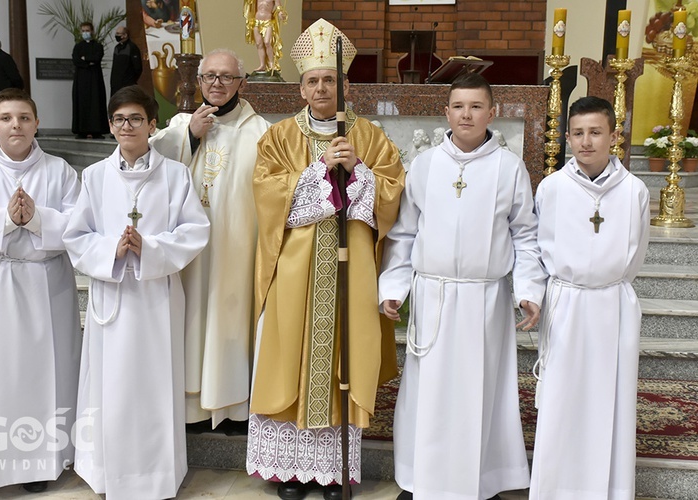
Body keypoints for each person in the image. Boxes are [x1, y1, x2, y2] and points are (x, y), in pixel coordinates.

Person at [246, 19, 405, 500]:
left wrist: (358, 170)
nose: (321, 87)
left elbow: (393, 192)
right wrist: (318, 172)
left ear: (345, 85)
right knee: (289, 358)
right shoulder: (277, 136)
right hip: (294, 269)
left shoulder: (370, 136)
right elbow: (267, 194)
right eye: (313, 80)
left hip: (350, 268)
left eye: (329, 80)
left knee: (344, 359)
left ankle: (336, 471)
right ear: (300, 87)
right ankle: (291, 472)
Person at [378, 72, 547, 500]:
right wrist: (394, 287)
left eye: (475, 106)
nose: (466, 114)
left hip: (483, 298)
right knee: (426, 395)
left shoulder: (508, 168)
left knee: (480, 392)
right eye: (458, 106)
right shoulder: (424, 165)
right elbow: (403, 234)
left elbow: (525, 235)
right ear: (446, 112)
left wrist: (528, 289)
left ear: (493, 112)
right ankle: (420, 480)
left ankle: (480, 480)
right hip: (433, 294)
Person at [63, 85, 210, 500]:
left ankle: (156, 476)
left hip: (156, 295)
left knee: (155, 383)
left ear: (152, 124)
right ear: (111, 126)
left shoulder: (175, 174)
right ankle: (110, 472)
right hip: (112, 295)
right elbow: (76, 236)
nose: (128, 126)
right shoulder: (93, 176)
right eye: (120, 119)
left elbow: (195, 230)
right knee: (109, 385)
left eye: (136, 119)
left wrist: (153, 248)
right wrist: (112, 248)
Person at [0, 88, 81, 499]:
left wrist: (38, 219)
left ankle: (38, 462)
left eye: (24, 117)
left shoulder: (60, 170)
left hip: (43, 286)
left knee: (43, 375)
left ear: (37, 123)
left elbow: (80, 226)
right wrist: (4, 221)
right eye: (6, 118)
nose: (16, 126)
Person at [529, 97, 650, 500]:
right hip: (566, 304)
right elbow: (539, 248)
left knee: (610, 402)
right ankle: (555, 489)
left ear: (613, 136)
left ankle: (610, 490)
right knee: (562, 401)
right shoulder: (552, 187)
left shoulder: (634, 191)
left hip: (613, 305)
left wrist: (605, 285)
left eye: (596, 132)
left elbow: (635, 256)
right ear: (566, 138)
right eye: (578, 133)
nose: (586, 142)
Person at [150, 49, 269, 431]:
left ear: (242, 82)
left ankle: (232, 406)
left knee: (229, 318)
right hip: (188, 252)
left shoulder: (261, 131)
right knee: (191, 319)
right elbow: (148, 166)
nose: (217, 84)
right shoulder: (181, 122)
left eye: (226, 77)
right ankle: (191, 409)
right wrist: (190, 137)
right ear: (199, 82)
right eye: (209, 77)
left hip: (237, 248)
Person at [71, 22, 108, 139]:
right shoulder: (78, 46)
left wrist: (85, 59)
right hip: (81, 79)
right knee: (81, 102)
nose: (85, 33)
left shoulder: (98, 46)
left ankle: (97, 130)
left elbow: (97, 59)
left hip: (95, 78)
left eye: (87, 30)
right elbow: (76, 60)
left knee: (96, 102)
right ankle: (81, 130)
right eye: (83, 31)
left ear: (92, 31)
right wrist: (88, 62)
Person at [244, 0, 287, 73]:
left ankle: (271, 63)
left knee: (267, 42)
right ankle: (262, 65)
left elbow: (278, 7)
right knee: (259, 44)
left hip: (268, 22)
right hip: (257, 22)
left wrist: (280, 14)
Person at [110, 26, 142, 96]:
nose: (116, 35)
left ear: (125, 35)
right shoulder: (117, 48)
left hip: (127, 85)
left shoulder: (132, 47)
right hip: (115, 85)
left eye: (118, 33)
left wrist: (130, 81)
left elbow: (138, 68)